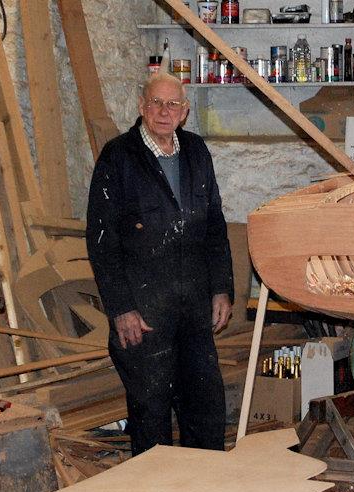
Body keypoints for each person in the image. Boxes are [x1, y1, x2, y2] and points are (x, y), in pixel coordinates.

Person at [86, 72, 234, 456]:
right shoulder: (118, 156)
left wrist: (221, 288)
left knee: (205, 405)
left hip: (193, 305)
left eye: (173, 104)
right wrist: (120, 309)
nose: (164, 112)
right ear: (141, 107)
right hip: (144, 311)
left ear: (184, 112)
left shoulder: (197, 151)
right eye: (156, 103)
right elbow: (102, 240)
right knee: (151, 415)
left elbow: (214, 225)